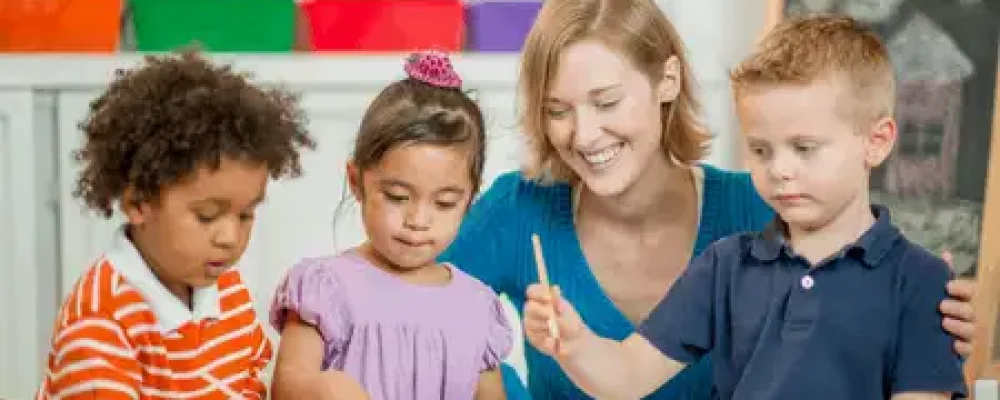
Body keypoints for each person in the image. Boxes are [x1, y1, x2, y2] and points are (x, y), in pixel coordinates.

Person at [439, 0, 980, 398]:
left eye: (606, 101)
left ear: (667, 81)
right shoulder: (725, 263)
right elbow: (625, 376)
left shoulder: (777, 215)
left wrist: (937, 309)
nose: (583, 135)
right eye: (558, 110)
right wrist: (540, 364)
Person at [36, 50, 316, 399]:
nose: (230, 239)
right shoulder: (101, 322)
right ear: (140, 202)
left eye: (245, 215)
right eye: (207, 216)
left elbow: (248, 385)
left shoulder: (227, 290)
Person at [269, 51, 515, 400]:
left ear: (470, 199)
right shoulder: (327, 289)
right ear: (357, 182)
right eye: (398, 197)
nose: (418, 221)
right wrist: (321, 388)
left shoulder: (477, 307)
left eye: (444, 203)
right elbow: (286, 390)